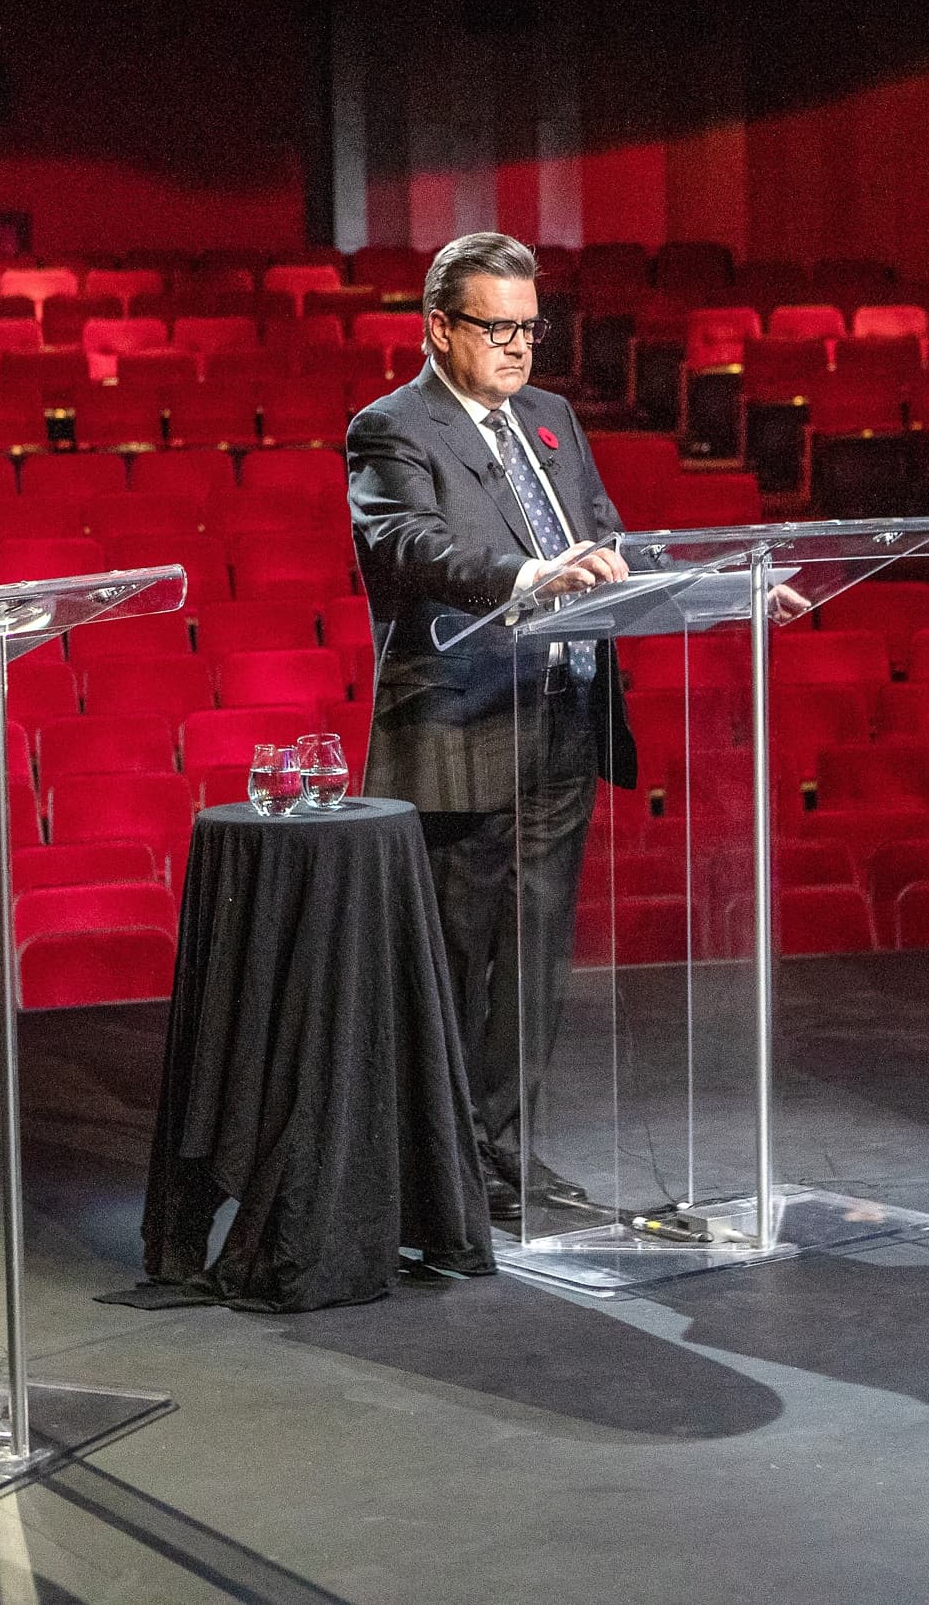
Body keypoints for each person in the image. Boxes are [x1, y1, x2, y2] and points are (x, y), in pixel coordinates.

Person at [348, 232, 638, 1222]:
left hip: (560, 714)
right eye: (496, 327)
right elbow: (409, 544)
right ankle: (437, 1164)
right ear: (439, 327)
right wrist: (528, 578)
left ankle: (505, 1150)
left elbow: (601, 528)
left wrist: (713, 581)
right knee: (456, 952)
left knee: (535, 951)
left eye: (529, 327)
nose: (517, 347)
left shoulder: (550, 416)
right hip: (463, 723)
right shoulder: (391, 428)